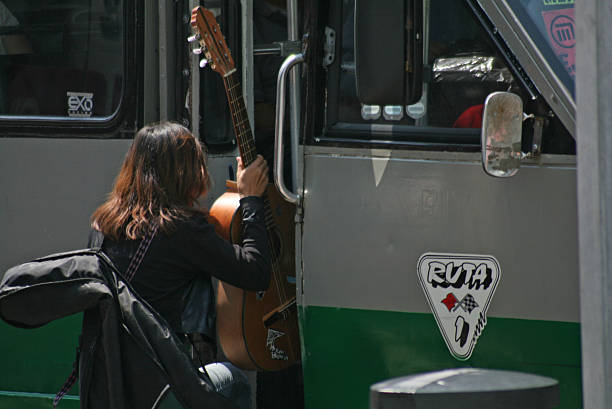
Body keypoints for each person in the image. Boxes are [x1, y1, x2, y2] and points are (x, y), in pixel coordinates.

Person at [89, 121, 271, 409]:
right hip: (159, 389)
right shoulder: (180, 228)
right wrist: (250, 200)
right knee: (235, 381)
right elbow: (255, 271)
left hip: (108, 385)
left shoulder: (103, 224)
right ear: (185, 172)